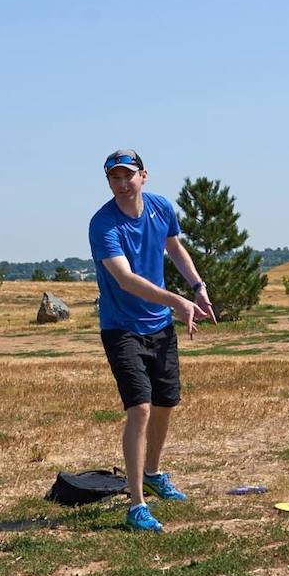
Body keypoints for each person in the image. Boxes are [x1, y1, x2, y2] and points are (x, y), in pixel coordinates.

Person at [89, 150, 214, 533]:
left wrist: (197, 286)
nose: (123, 184)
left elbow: (174, 247)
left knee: (164, 404)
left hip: (159, 327)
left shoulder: (160, 208)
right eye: (115, 178)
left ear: (144, 176)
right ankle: (137, 504)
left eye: (129, 176)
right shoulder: (103, 224)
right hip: (121, 327)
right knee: (140, 407)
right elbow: (125, 280)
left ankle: (154, 474)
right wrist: (176, 300)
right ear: (109, 182)